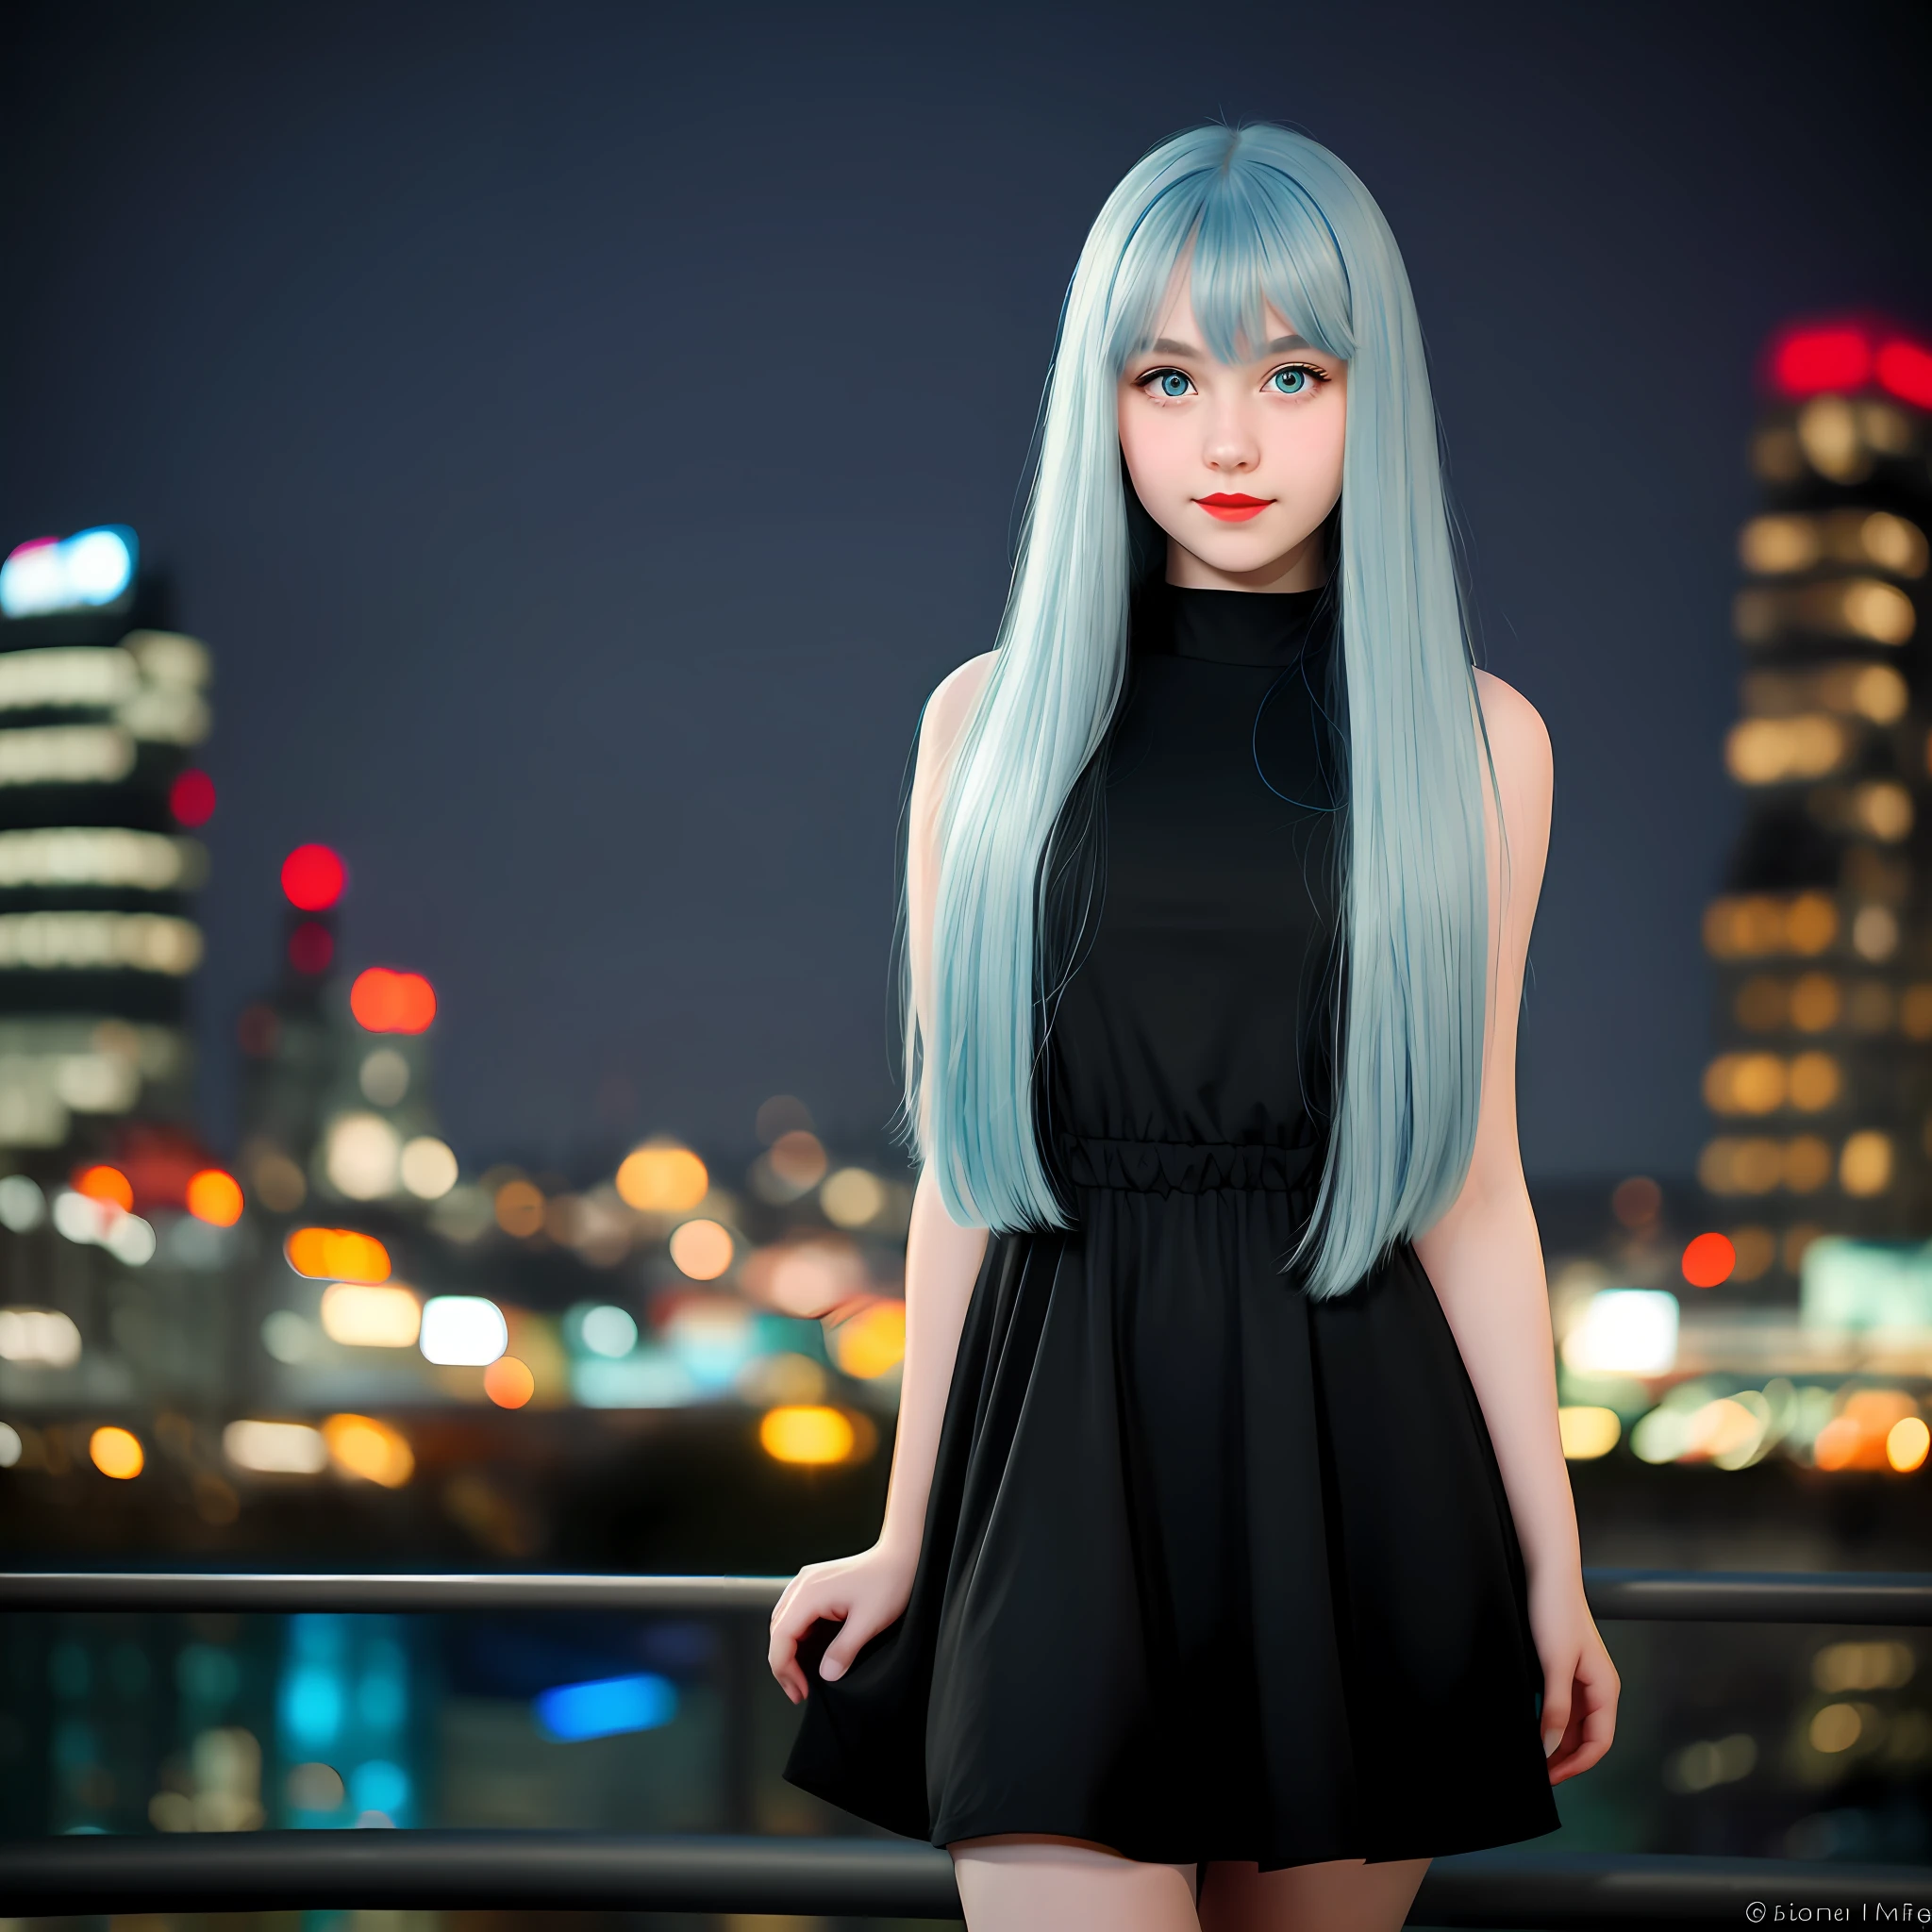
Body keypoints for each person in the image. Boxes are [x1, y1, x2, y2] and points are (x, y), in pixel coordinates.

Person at [767, 121, 1618, 1932]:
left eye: (1290, 373)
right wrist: (908, 1529)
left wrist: (1553, 1565)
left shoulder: (1481, 745)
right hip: (1053, 1462)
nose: (1228, 440)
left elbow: (1470, 1182)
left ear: (1366, 398)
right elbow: (964, 1178)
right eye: (1171, 377)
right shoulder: (981, 726)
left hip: (1364, 1466)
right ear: (1109, 403)